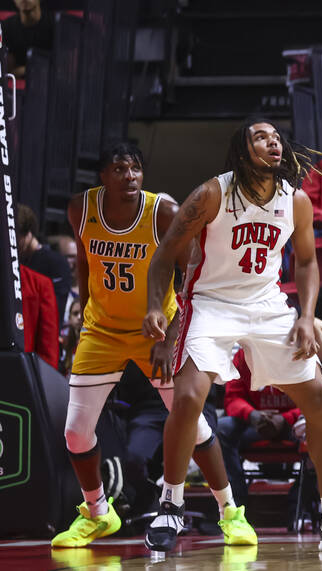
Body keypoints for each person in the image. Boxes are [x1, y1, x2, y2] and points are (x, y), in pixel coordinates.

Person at [142, 119, 322, 553]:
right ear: (242, 150)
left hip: (267, 303)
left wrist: (306, 315)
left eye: (276, 137)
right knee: (190, 397)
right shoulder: (213, 193)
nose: (273, 142)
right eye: (260, 137)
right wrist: (158, 306)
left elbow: (307, 263)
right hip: (209, 301)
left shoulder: (297, 201)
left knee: (321, 400)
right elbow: (165, 253)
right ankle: (170, 505)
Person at [49, 144, 255, 548]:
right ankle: (97, 513)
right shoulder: (81, 208)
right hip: (101, 331)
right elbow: (86, 262)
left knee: (192, 425)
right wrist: (82, 308)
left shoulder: (162, 211)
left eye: (136, 168)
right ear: (103, 177)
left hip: (155, 331)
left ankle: (230, 511)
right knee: (75, 432)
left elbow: (193, 273)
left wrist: (172, 337)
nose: (130, 175)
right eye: (120, 168)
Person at [217, 347, 301, 511]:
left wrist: (285, 419)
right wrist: (251, 415)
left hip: (292, 425)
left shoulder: (298, 351)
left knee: (318, 430)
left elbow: (314, 401)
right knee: (222, 429)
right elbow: (233, 398)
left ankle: (298, 502)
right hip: (255, 424)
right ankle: (236, 502)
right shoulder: (243, 354)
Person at [16, 203, 73, 314]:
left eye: (17, 237)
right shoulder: (16, 261)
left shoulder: (56, 263)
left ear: (28, 234)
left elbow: (55, 307)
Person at [1, 0, 52, 76]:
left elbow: (62, 66)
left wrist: (25, 70)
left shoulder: (54, 24)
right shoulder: (7, 26)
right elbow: (8, 70)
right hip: (17, 86)